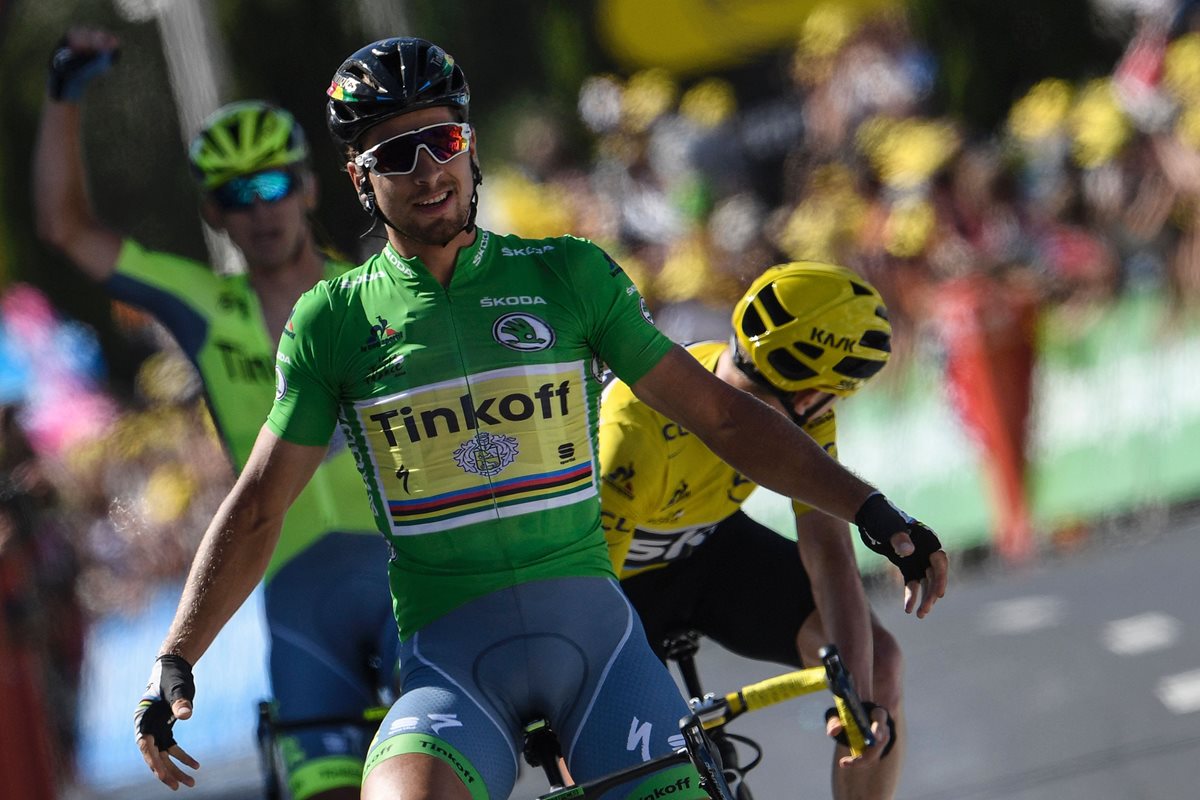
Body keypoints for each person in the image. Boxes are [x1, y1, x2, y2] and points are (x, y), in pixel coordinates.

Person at [131, 37, 948, 800]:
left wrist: (873, 511)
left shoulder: (568, 275)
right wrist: (176, 656)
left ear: (472, 145)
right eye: (394, 155)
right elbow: (260, 505)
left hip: (600, 649)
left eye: (442, 141)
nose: (426, 171)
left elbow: (724, 419)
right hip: (449, 670)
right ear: (357, 178)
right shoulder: (332, 320)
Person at [34, 28, 400, 800]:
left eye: (272, 185)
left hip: (405, 573)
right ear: (214, 212)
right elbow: (66, 228)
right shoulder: (206, 306)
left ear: (307, 186)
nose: (259, 209)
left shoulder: (373, 290)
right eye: (236, 195)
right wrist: (64, 98)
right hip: (298, 593)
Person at [601, 262, 933, 800]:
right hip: (610, 582)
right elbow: (585, 604)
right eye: (835, 394)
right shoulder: (633, 434)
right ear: (807, 397)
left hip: (708, 549)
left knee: (879, 663)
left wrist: (861, 700)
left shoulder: (802, 410)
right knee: (611, 747)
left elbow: (827, 551)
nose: (832, 408)